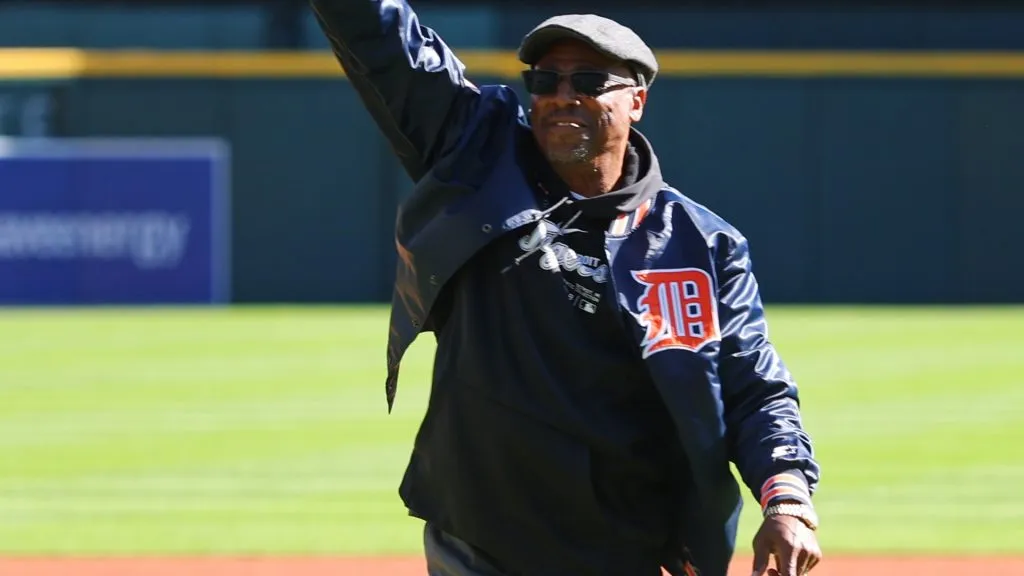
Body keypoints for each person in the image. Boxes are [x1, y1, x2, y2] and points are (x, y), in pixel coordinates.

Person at [309, 1, 823, 575]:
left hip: (633, 547)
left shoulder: (702, 245)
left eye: (588, 80)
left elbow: (754, 387)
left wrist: (788, 500)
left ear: (637, 100)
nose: (561, 95)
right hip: (481, 540)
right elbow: (381, 39)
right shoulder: (478, 160)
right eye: (545, 79)